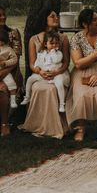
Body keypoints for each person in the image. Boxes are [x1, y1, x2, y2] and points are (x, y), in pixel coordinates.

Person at [67, 8, 97, 143]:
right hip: (83, 71)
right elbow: (78, 63)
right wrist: (96, 54)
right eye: (94, 20)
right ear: (85, 24)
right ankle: (81, 128)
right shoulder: (76, 38)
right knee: (82, 94)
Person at [20, 8, 71, 139]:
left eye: (57, 16)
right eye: (52, 16)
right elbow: (32, 63)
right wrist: (40, 72)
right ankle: (37, 123)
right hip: (41, 74)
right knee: (37, 87)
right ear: (45, 19)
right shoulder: (34, 39)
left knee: (52, 89)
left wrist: (56, 72)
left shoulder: (63, 38)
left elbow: (66, 63)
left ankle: (57, 124)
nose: (56, 19)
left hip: (59, 73)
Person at [22, 30, 69, 112]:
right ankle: (27, 97)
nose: (54, 45)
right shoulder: (42, 52)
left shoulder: (58, 53)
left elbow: (56, 60)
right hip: (44, 73)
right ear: (45, 44)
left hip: (56, 73)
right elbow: (38, 61)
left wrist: (53, 52)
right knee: (30, 79)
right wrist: (37, 68)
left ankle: (62, 104)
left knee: (59, 83)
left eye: (56, 43)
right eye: (52, 43)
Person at [0, 30, 18, 108]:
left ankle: (13, 100)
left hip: (4, 70)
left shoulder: (8, 49)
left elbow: (14, 59)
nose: (0, 42)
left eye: (2, 41)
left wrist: (6, 63)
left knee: (11, 83)